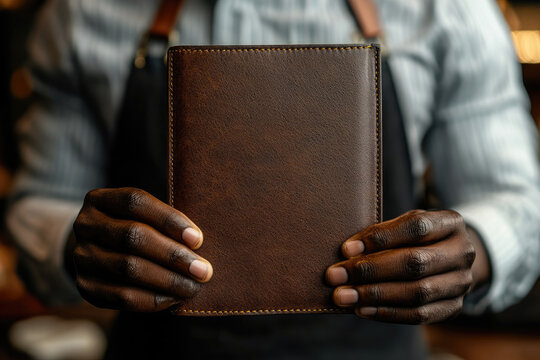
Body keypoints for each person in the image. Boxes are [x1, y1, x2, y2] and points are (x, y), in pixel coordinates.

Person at [6, 0, 540, 358]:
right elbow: (42, 202)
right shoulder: (80, 15)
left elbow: (518, 202)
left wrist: (474, 251)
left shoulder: (449, 12)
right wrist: (73, 246)